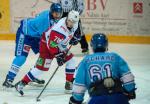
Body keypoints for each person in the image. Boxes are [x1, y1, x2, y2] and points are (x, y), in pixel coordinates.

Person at [15, 10, 80, 96]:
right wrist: (58, 56)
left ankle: (69, 83)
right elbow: (51, 45)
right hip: (46, 45)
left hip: (59, 45)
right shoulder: (59, 29)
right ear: (67, 18)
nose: (71, 23)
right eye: (69, 21)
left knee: (71, 61)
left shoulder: (75, 23)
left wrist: (75, 38)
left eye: (73, 22)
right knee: (41, 68)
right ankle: (21, 84)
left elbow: (74, 33)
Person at [2, 3, 63, 88]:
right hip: (25, 34)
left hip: (37, 35)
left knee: (43, 55)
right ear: (52, 12)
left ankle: (32, 75)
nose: (58, 15)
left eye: (59, 13)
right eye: (56, 13)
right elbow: (48, 39)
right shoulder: (45, 21)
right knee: (21, 57)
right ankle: (9, 79)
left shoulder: (51, 16)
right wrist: (58, 53)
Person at [69, 33, 136, 104]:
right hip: (118, 98)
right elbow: (128, 78)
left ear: (92, 45)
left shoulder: (85, 61)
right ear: (106, 45)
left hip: (96, 99)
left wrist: (76, 99)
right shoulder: (115, 57)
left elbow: (79, 86)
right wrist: (129, 91)